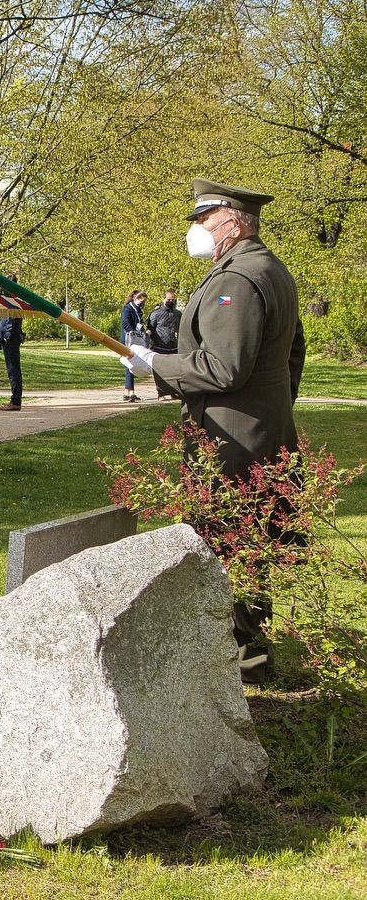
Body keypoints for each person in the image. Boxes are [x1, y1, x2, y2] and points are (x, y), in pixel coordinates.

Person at [119, 179, 306, 684]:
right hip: (261, 431)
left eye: (202, 220)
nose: (195, 230)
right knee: (252, 548)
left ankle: (234, 658)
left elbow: (225, 368)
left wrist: (156, 364)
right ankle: (249, 655)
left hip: (234, 441)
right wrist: (271, 410)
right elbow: (292, 358)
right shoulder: (270, 270)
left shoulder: (238, 279)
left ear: (230, 220)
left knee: (229, 546)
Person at [119, 289, 147, 402]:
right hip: (128, 339)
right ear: (136, 298)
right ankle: (131, 392)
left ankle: (127, 391)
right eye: (142, 301)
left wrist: (143, 331)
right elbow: (125, 322)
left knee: (130, 364)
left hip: (135, 339)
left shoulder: (138, 310)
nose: (143, 304)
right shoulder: (128, 308)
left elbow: (139, 323)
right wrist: (134, 331)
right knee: (130, 364)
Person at [0, 315, 25, 411]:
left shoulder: (11, 304)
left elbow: (11, 319)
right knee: (13, 370)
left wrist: (6, 335)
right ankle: (15, 400)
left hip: (10, 337)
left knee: (13, 370)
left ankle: (15, 402)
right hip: (11, 336)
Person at [146, 289, 181, 356]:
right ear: (163, 299)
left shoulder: (178, 314)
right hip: (159, 347)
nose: (171, 301)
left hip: (174, 347)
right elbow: (150, 330)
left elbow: (180, 329)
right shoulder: (155, 314)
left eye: (172, 300)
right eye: (169, 299)